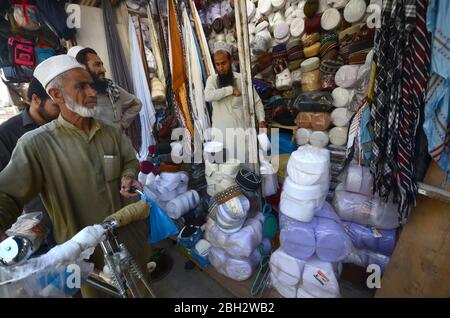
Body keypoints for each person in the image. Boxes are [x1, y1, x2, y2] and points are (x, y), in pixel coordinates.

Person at [0, 55, 151, 297]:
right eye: (81, 86)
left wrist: (129, 175)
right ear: (56, 95)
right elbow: (7, 195)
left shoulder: (110, 132)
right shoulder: (36, 145)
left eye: (90, 84)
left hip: (127, 241)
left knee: (141, 290)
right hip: (86, 257)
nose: (92, 92)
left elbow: (130, 160)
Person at [204, 41, 266, 162]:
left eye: (224, 63)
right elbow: (208, 96)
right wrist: (230, 89)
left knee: (244, 173)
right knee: (225, 176)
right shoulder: (212, 80)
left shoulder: (242, 79)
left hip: (241, 137)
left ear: (231, 61)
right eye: (217, 64)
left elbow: (256, 101)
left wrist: (262, 120)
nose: (221, 68)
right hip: (220, 138)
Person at [67, 46, 142, 131]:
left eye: (102, 64)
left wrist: (121, 125)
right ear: (82, 67)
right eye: (97, 65)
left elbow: (136, 104)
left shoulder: (111, 88)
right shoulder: (76, 97)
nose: (104, 69)